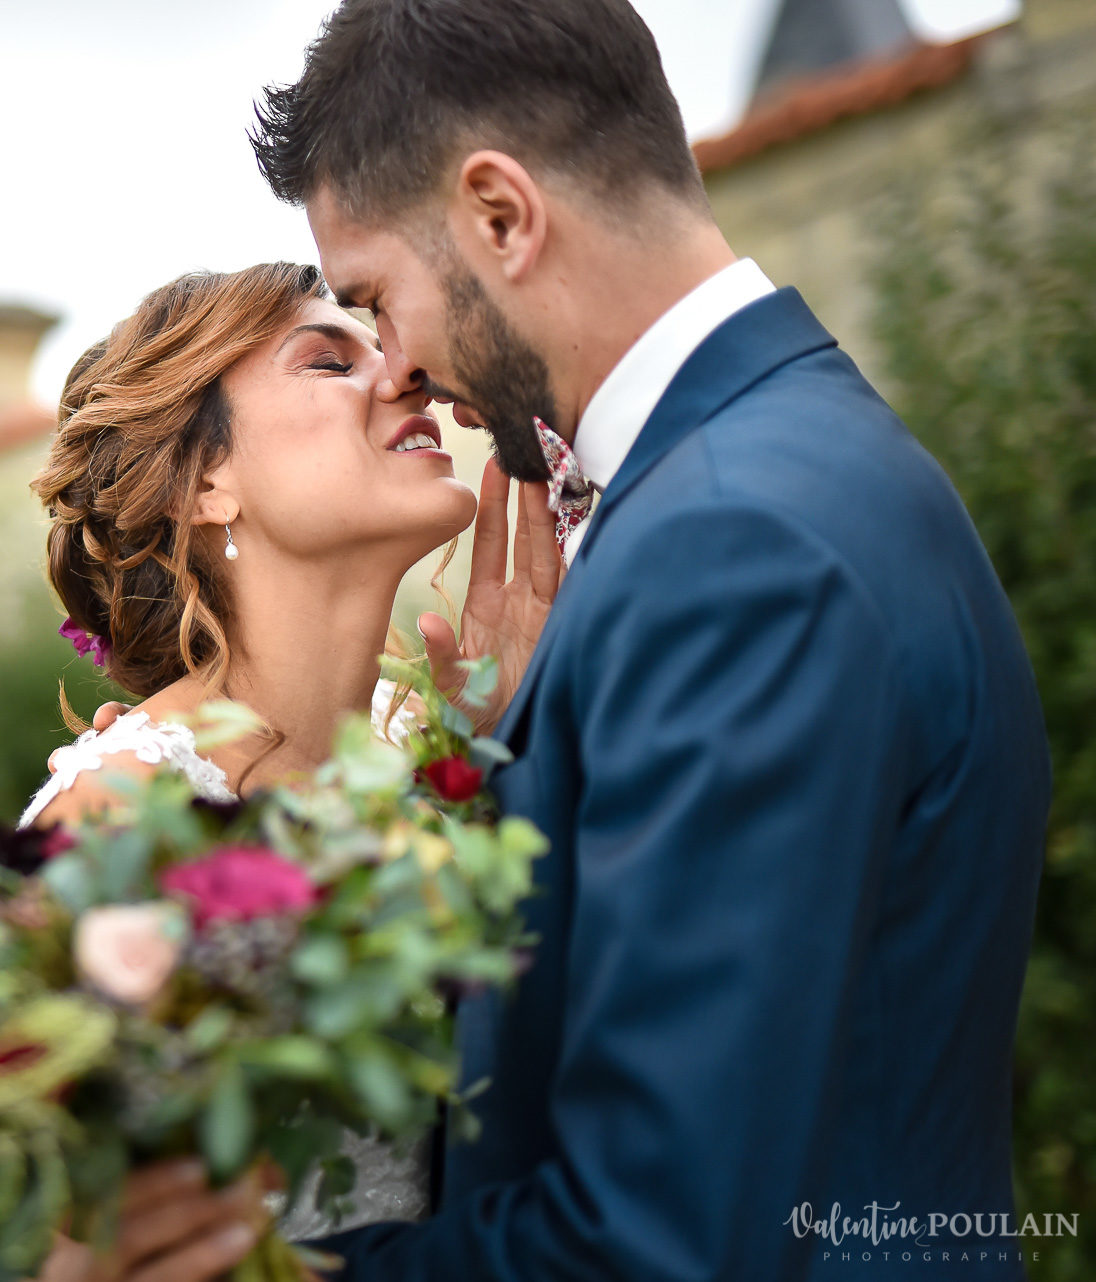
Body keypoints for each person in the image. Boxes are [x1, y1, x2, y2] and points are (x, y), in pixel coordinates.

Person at [200, 0, 1052, 1279]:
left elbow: (658, 1240)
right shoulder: (783, 458)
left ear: (501, 214)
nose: (403, 367)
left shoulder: (731, 542)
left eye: (380, 296)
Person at [0, 259, 565, 1282]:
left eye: (387, 346)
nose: (405, 373)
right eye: (330, 360)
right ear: (205, 484)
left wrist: (509, 744)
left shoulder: (437, 750)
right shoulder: (118, 816)